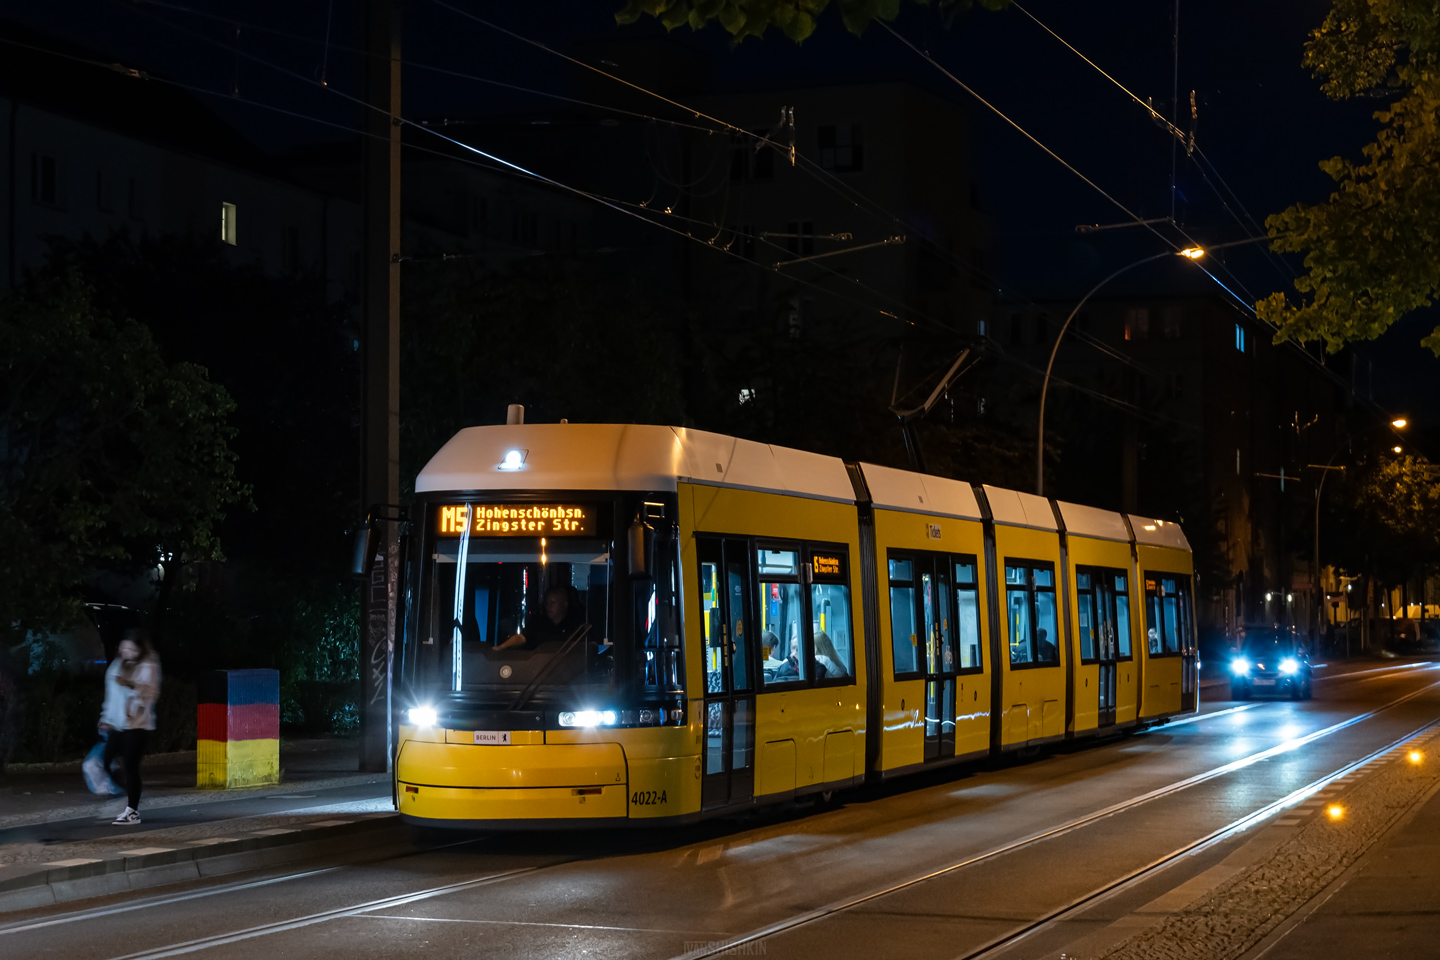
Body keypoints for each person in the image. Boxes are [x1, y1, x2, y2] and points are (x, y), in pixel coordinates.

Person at [101, 630, 161, 825]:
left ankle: (132, 811)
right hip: (118, 724)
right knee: (106, 760)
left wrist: (128, 684)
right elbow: (111, 694)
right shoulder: (117, 665)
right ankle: (131, 793)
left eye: (131, 649)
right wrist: (106, 717)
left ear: (140, 649)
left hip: (138, 725)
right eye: (124, 648)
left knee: (131, 767)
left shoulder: (148, 665)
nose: (126, 652)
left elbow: (148, 694)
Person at [498, 586, 580, 649]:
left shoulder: (576, 626)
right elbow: (522, 638)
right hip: (538, 668)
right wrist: (502, 647)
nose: (548, 606)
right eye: (546, 602)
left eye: (553, 602)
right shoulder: (538, 624)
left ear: (565, 604)